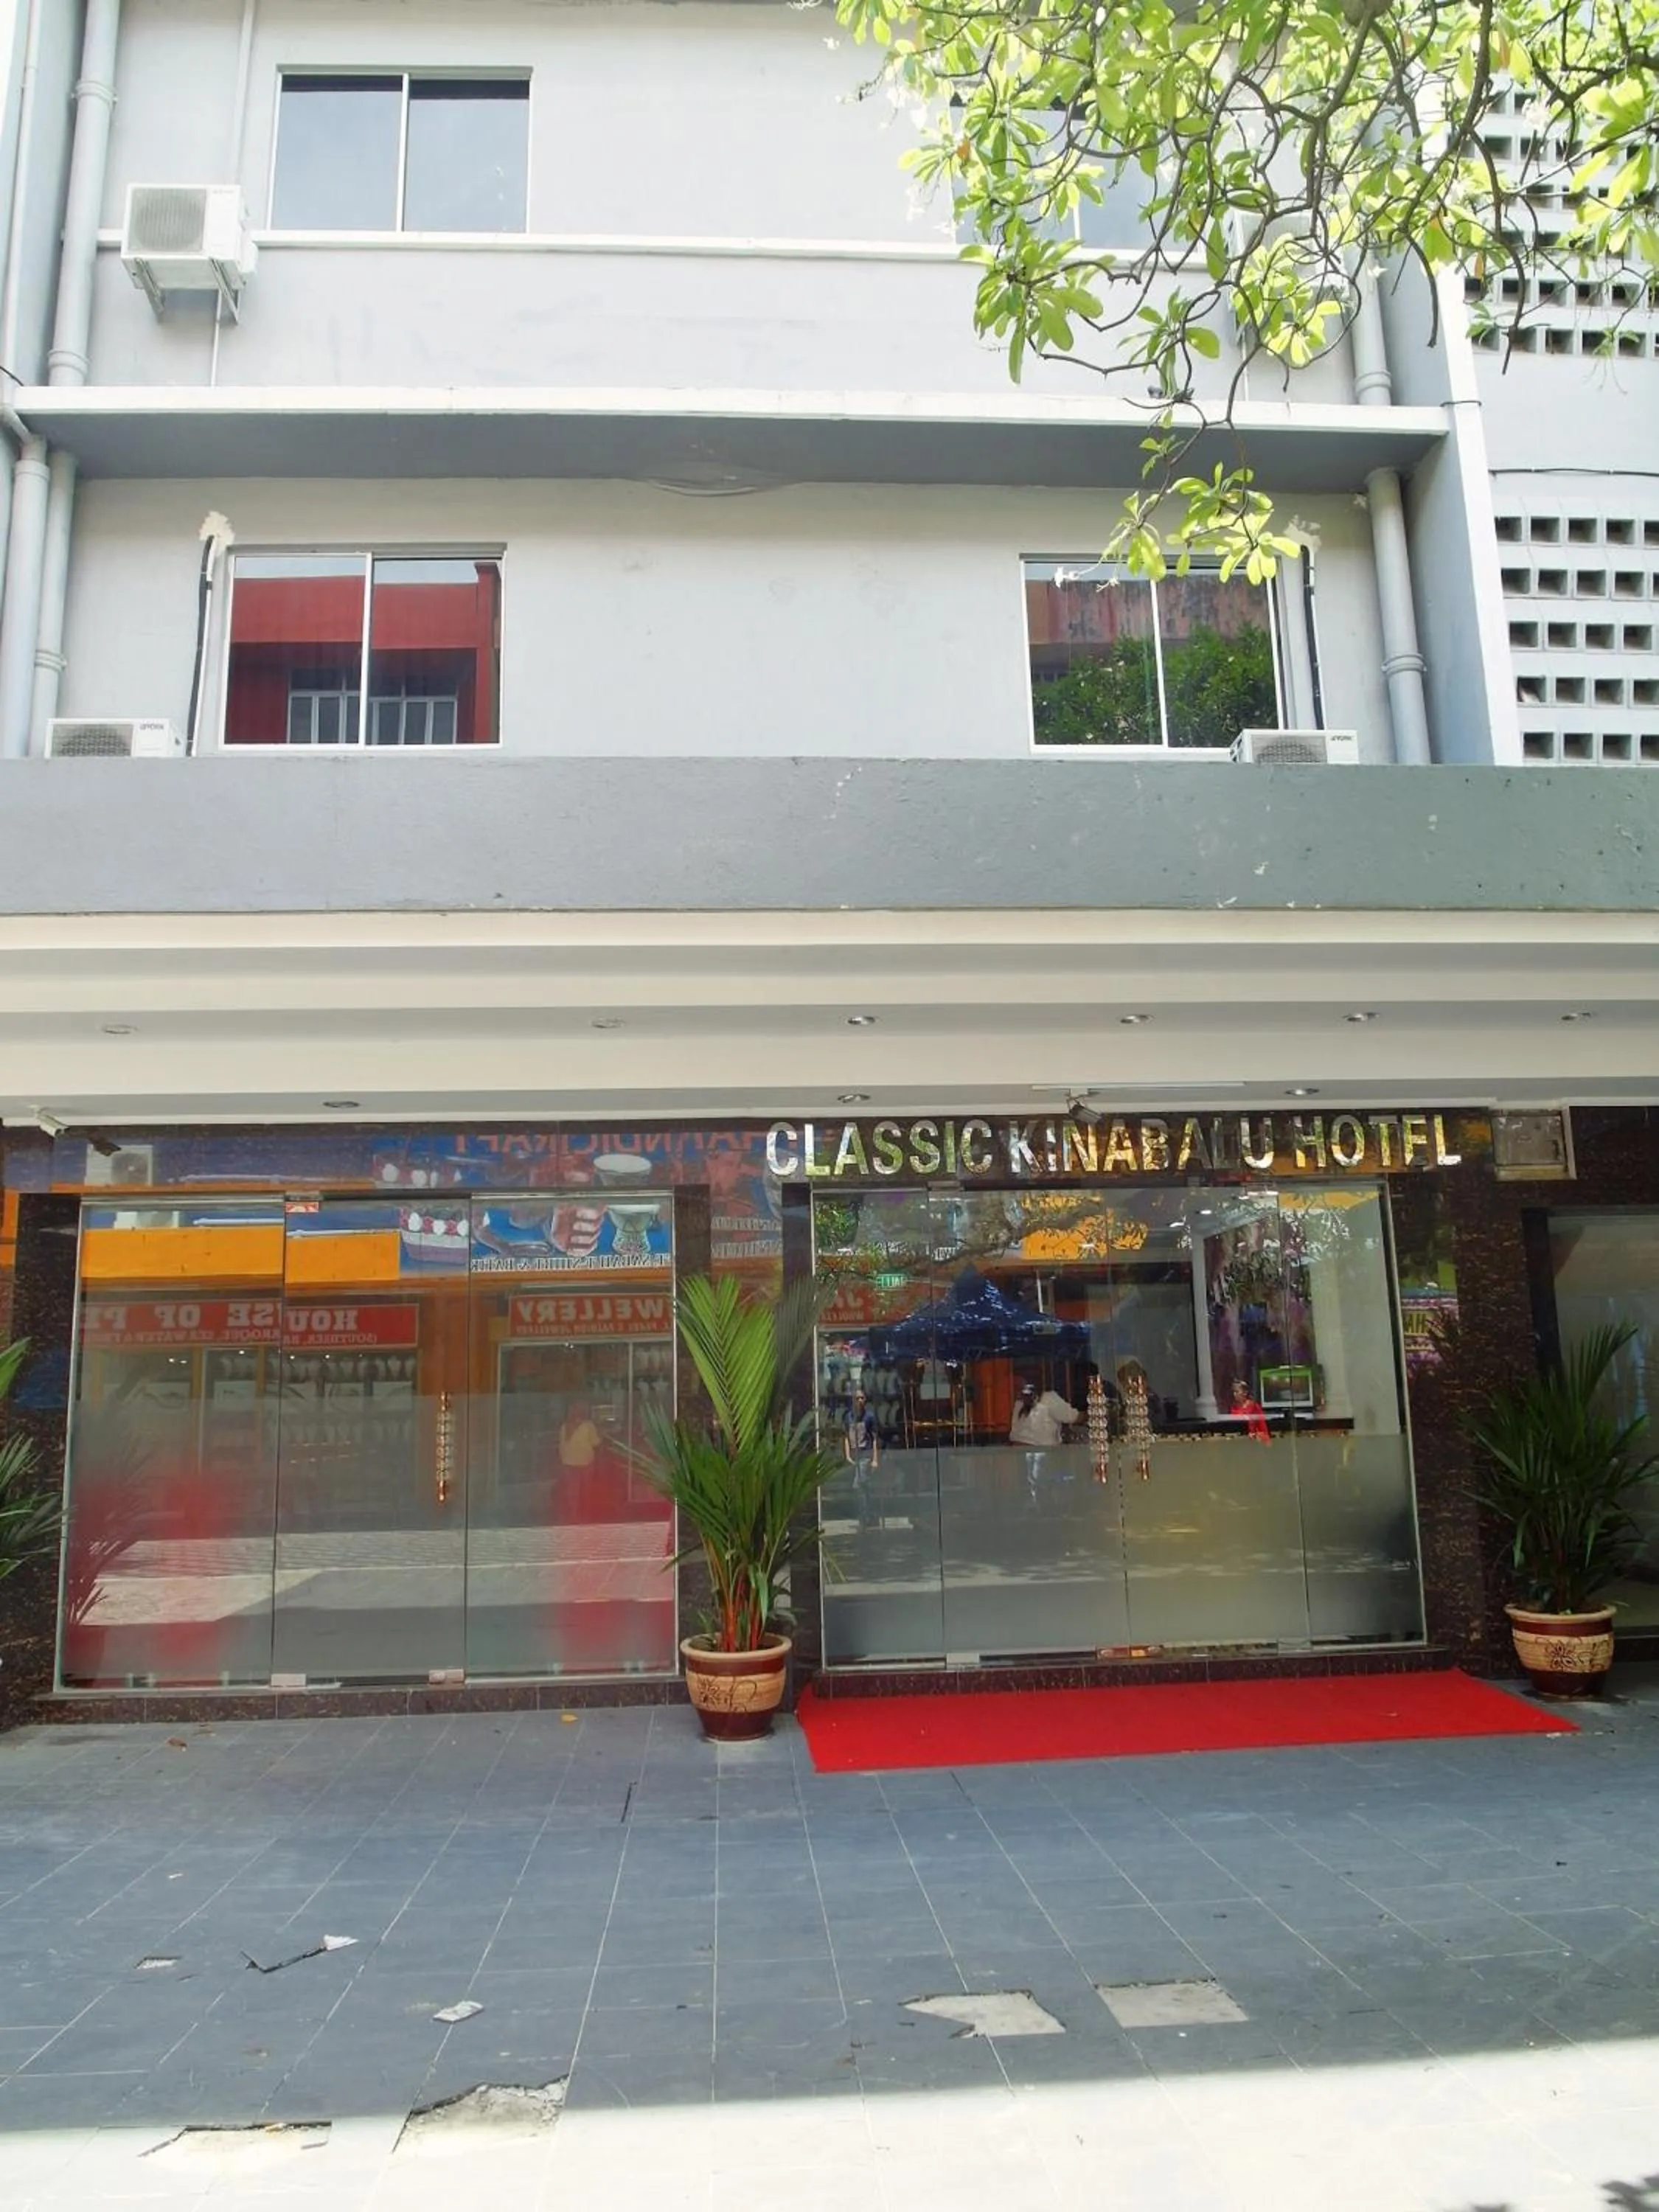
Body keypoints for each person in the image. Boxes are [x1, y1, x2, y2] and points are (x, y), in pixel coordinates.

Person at [1010, 1380, 1079, 1500]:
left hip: (1018, 1454)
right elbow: (1072, 1417)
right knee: (1046, 1490)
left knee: (1028, 1492)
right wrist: (1089, 1414)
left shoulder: (1020, 1400)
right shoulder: (1049, 1398)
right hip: (1042, 1454)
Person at [844, 1389, 880, 1528]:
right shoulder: (848, 1417)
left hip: (866, 1454)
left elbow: (875, 1439)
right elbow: (846, 1437)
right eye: (857, 1398)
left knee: (858, 1485)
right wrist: (847, 1455)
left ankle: (865, 1516)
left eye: (862, 1398)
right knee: (865, 1488)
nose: (860, 1401)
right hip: (855, 1455)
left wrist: (875, 1459)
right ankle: (869, 1515)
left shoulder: (869, 1417)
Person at [1231, 1377, 1271, 1443]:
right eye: (1233, 1392)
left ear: (1245, 1393)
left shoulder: (1254, 1406)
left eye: (1237, 1391)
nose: (1234, 1394)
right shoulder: (1233, 1407)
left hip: (1254, 1442)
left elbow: (1263, 1427)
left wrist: (1256, 1435)